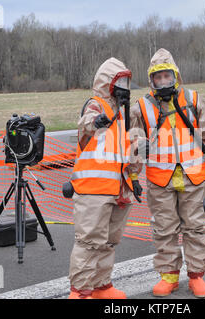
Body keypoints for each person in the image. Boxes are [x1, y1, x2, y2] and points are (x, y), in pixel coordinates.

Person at [131, 48, 205, 298]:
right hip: (160, 180)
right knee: (164, 229)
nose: (164, 81)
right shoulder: (141, 107)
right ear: (151, 80)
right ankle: (169, 276)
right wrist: (134, 175)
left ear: (176, 75)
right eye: (158, 78)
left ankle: (196, 276)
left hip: (194, 176)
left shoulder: (194, 99)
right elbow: (133, 144)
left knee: (196, 227)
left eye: (167, 76)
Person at [62, 57, 143, 299]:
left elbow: (136, 146)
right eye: (121, 81)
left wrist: (136, 178)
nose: (125, 87)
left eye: (128, 82)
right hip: (93, 189)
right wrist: (96, 121)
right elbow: (86, 122)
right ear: (109, 82)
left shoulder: (127, 114)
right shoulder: (96, 106)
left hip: (120, 188)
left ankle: (101, 285)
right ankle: (80, 291)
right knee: (89, 242)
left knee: (109, 241)